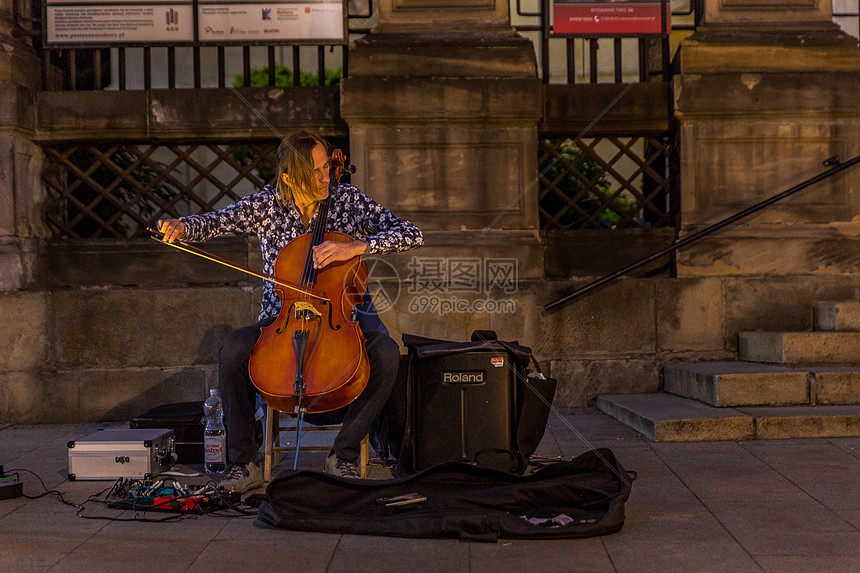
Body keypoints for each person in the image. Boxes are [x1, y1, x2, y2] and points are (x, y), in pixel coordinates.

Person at [158, 130, 423, 492]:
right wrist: (183, 226)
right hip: (279, 324)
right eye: (314, 171)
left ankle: (342, 454)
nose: (325, 176)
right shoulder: (268, 204)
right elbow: (218, 221)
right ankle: (243, 462)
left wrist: (356, 247)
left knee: (387, 354)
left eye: (326, 166)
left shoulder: (346, 200)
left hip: (341, 322)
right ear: (287, 179)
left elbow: (411, 233)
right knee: (234, 347)